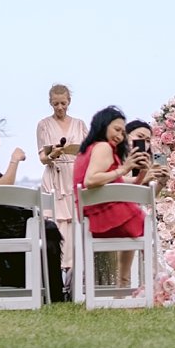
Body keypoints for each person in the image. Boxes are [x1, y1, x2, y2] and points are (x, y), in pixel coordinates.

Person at [0, 114, 65, 300]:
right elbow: (2, 189)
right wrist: (14, 160)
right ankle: (52, 292)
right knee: (47, 229)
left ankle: (44, 289)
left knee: (46, 228)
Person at [73, 106, 151, 290]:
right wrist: (123, 169)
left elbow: (120, 183)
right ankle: (144, 283)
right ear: (103, 125)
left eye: (123, 132)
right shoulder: (103, 147)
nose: (119, 136)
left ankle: (124, 285)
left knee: (138, 221)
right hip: (102, 217)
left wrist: (142, 173)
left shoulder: (89, 149)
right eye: (116, 129)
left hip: (91, 218)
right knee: (145, 224)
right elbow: (91, 180)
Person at [36, 84, 89, 276]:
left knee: (75, 221)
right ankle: (55, 270)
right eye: (56, 104)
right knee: (56, 221)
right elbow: (42, 158)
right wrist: (53, 154)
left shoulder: (80, 124)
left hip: (74, 174)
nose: (60, 107)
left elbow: (89, 152)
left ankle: (76, 272)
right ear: (50, 103)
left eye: (63, 103)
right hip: (54, 175)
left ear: (69, 102)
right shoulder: (43, 124)